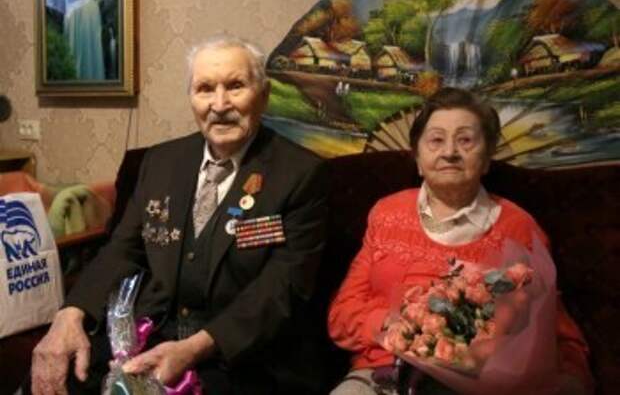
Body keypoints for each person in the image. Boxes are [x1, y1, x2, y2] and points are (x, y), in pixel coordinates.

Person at [28, 34, 328, 394]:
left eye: (235, 86)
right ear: (191, 98)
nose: (220, 104)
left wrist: (194, 348)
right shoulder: (161, 162)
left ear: (263, 95)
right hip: (149, 333)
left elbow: (281, 289)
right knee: (55, 379)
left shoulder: (300, 174)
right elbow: (123, 248)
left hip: (239, 353)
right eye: (205, 89)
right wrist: (70, 314)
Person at [327, 87, 592, 395]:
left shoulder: (518, 228)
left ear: (487, 158)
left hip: (474, 385)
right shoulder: (386, 212)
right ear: (418, 158)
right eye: (436, 140)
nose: (449, 152)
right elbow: (341, 315)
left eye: (465, 140)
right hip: (381, 372)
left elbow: (557, 333)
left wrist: (572, 378)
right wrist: (396, 326)